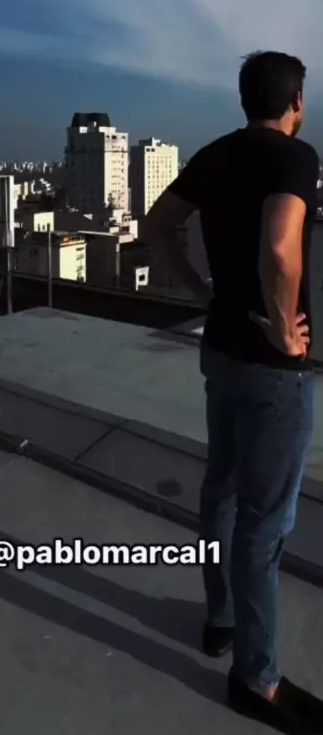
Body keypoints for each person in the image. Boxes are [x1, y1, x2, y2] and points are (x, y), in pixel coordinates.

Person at [142, 51, 322, 731]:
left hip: (218, 350)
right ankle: (256, 677)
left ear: (245, 99)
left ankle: (220, 620)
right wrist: (283, 328)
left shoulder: (215, 154)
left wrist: (199, 291)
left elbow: (158, 224)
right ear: (295, 102)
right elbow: (279, 247)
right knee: (263, 523)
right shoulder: (295, 158)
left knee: (220, 486)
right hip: (273, 370)